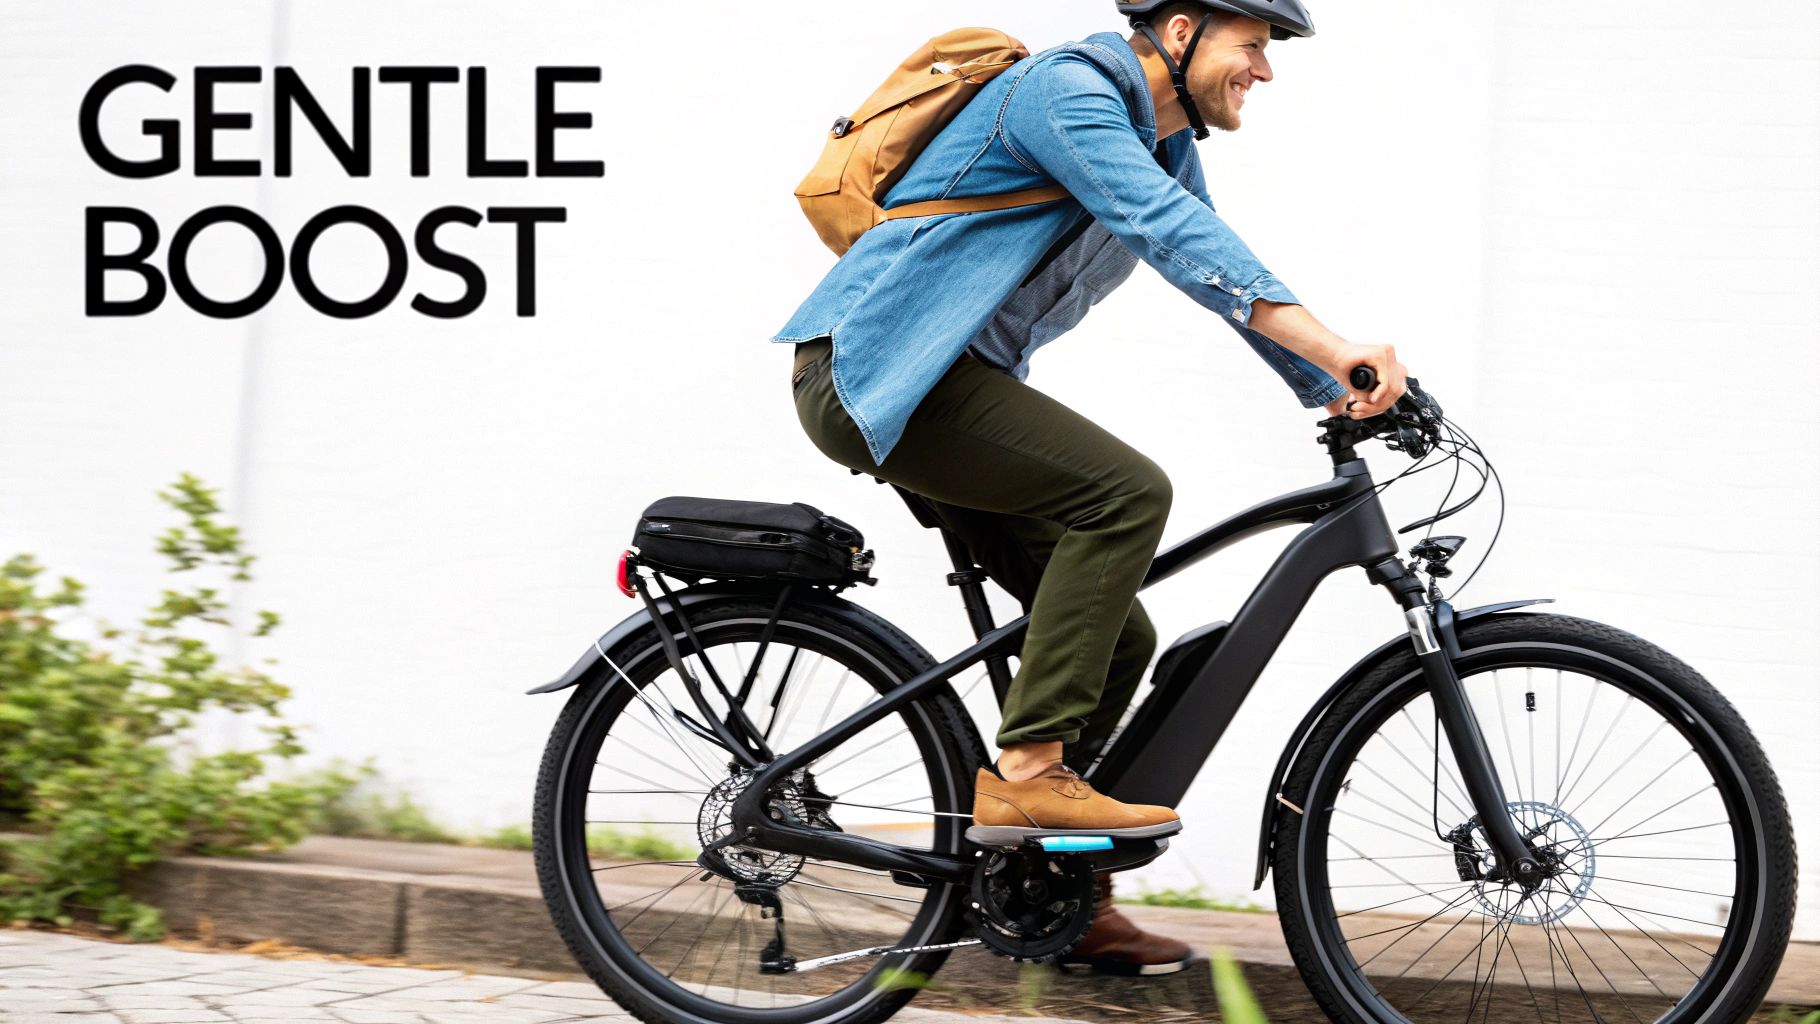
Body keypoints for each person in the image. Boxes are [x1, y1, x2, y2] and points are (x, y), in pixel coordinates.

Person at [777, 0, 1410, 974]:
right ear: (1186, 27)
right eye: (1254, 46)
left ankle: (1060, 890)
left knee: (1118, 637)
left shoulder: (1160, 142)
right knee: (1122, 495)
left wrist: (1329, 383)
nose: (1265, 70)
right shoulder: (1063, 93)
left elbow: (1211, 260)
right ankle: (1028, 774)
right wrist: (1331, 348)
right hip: (879, 371)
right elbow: (1161, 232)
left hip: (947, 384)